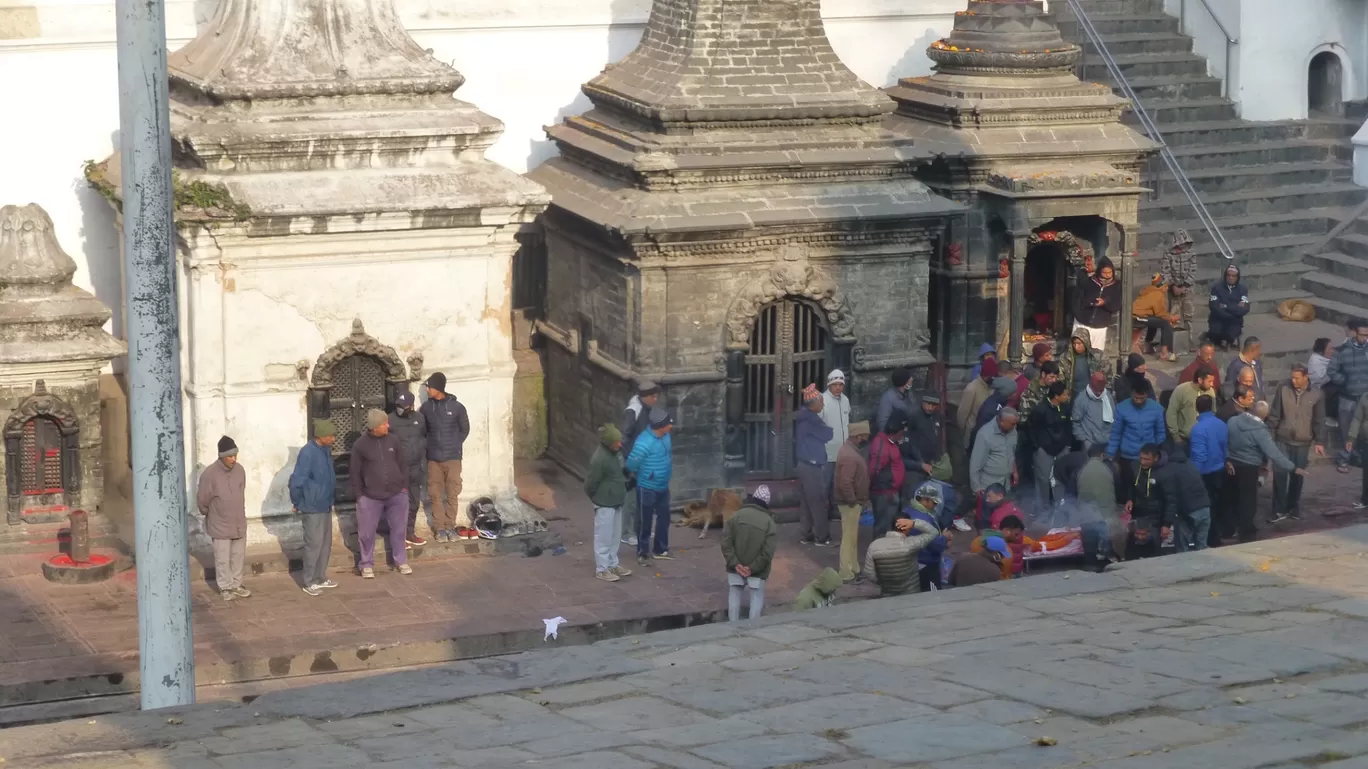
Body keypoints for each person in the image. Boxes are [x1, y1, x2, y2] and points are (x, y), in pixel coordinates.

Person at [1226, 401, 1308, 542]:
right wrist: (1293, 468)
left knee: (1232, 497)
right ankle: (1246, 533)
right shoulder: (1260, 432)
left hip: (1231, 464)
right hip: (1249, 467)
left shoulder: (1232, 421)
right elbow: (1274, 454)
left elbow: (1225, 441)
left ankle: (1230, 528)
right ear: (1265, 415)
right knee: (1248, 501)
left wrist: (1227, 459)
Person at [351, 409, 412, 578]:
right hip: (370, 497)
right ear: (375, 427)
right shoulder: (360, 445)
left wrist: (404, 487)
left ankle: (400, 561)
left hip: (396, 494)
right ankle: (366, 564)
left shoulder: (393, 440)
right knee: (366, 533)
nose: (388, 425)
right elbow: (354, 472)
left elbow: (402, 464)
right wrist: (359, 495)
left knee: (399, 530)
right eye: (384, 423)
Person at [1266, 364, 1326, 523]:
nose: (1293, 380)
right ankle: (1278, 509)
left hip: (1302, 442)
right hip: (1282, 440)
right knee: (1279, 475)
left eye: (1297, 378)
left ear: (1306, 377)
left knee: (1297, 476)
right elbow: (1274, 413)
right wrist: (1269, 435)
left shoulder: (1317, 394)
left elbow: (1319, 420)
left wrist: (1320, 441)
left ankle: (1293, 506)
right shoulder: (1283, 389)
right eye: (1292, 377)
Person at [289, 419, 339, 596]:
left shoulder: (325, 451)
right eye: (331, 435)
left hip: (325, 504)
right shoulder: (308, 453)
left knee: (325, 544)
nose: (333, 438)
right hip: (312, 506)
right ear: (322, 436)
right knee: (314, 544)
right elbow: (297, 481)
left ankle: (321, 577)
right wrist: (297, 502)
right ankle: (309, 580)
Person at [420, 372, 472, 542]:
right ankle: (439, 528)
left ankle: (450, 525)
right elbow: (423, 431)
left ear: (438, 388)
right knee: (434, 494)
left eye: (429, 387)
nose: (427, 390)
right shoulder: (426, 409)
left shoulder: (457, 407)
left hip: (452, 459)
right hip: (433, 459)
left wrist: (454, 445)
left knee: (452, 493)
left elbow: (465, 429)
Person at [197, 435, 250, 601]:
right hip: (219, 523)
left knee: (238, 556)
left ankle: (237, 584)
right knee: (222, 559)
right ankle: (225, 587)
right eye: (229, 456)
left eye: (235, 455)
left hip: (238, 522)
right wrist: (213, 513)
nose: (233, 459)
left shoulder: (240, 470)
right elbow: (202, 500)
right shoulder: (209, 474)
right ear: (221, 456)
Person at [721, 485, 778, 621]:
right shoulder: (769, 522)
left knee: (734, 595)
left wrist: (736, 564)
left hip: (735, 567)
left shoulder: (737, 515)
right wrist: (752, 568)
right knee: (756, 597)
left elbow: (726, 542)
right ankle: (753, 630)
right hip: (757, 572)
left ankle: (732, 627)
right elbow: (767, 553)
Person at [626, 408, 674, 564]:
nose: (671, 426)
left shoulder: (666, 437)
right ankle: (643, 552)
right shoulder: (643, 442)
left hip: (663, 485)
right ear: (660, 426)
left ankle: (660, 548)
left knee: (664, 518)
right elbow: (632, 464)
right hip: (647, 487)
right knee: (644, 521)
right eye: (668, 423)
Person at [585, 423, 632, 583]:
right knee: (603, 537)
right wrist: (597, 499)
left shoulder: (615, 453)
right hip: (605, 502)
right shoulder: (600, 459)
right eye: (616, 442)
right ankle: (602, 569)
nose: (620, 444)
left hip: (616, 500)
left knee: (614, 535)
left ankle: (613, 563)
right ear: (609, 443)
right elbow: (590, 484)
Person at [1107, 380, 1166, 498]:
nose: (1138, 400)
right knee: (1127, 489)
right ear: (1131, 393)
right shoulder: (1121, 408)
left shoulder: (1156, 408)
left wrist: (1158, 455)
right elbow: (1115, 434)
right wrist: (1109, 456)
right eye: (1135, 397)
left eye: (1141, 397)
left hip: (1148, 458)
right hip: (1128, 457)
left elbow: (1160, 433)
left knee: (1146, 491)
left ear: (1146, 394)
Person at [619, 380, 661, 546]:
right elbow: (625, 436)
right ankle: (626, 532)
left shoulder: (647, 408)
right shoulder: (634, 410)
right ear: (644, 397)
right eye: (653, 396)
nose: (655, 399)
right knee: (631, 497)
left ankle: (638, 529)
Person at [863, 511, 939, 596]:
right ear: (907, 528)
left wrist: (883, 582)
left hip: (887, 594)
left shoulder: (874, 546)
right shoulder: (911, 543)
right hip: (911, 593)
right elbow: (933, 532)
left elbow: (868, 573)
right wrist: (913, 523)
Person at [795, 384, 834, 546]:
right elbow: (828, 434)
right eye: (821, 402)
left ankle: (806, 534)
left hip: (803, 463)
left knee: (806, 501)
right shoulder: (812, 419)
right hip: (812, 465)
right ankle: (821, 536)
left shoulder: (802, 416)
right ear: (813, 404)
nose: (823, 405)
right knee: (818, 501)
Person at [388, 391, 428, 546]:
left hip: (416, 467)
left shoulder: (419, 419)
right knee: (397, 504)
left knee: (414, 502)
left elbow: (424, 437)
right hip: (398, 468)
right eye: (398, 406)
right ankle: (397, 536)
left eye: (403, 406)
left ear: (411, 406)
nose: (400, 409)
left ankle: (409, 533)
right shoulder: (390, 420)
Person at [1188, 395, 1229, 547]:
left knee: (1207, 507)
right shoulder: (1221, 424)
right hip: (1220, 469)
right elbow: (1225, 447)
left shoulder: (1197, 429)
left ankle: (1209, 539)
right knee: (1219, 505)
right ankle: (1220, 534)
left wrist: (1193, 477)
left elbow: (1199, 456)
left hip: (1205, 474)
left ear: (1197, 408)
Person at [834, 420, 872, 582]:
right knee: (848, 538)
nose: (865, 439)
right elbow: (845, 482)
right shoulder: (850, 456)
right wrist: (852, 501)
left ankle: (854, 567)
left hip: (852, 502)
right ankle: (845, 571)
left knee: (852, 537)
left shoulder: (849, 450)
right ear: (858, 436)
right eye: (864, 436)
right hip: (850, 503)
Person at [1330, 319, 1368, 474]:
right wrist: (1343, 381)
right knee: (1347, 431)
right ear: (1353, 333)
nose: (1365, 338)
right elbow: (1331, 371)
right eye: (1362, 335)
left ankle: (1358, 457)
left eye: (1367, 335)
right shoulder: (1341, 351)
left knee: (1362, 431)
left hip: (1365, 397)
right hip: (1347, 397)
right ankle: (1345, 458)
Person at [970, 408, 1019, 525]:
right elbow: (975, 463)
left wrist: (1014, 471)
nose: (1015, 426)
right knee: (985, 521)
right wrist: (976, 487)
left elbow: (1011, 453)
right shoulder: (985, 434)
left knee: (1004, 519)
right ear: (1002, 421)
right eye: (1012, 423)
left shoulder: (1013, 431)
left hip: (1005, 483)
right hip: (988, 485)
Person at [1029, 381, 1072, 508]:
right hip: (1044, 449)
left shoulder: (1066, 408)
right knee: (1043, 480)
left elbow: (1069, 427)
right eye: (1065, 395)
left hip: (1062, 449)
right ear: (1056, 396)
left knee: (1060, 479)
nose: (1067, 397)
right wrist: (1036, 446)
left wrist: (1067, 444)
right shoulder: (1040, 409)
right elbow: (1031, 428)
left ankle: (1060, 506)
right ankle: (1043, 508)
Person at [1160, 444, 1210, 552]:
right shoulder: (1190, 464)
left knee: (1183, 550)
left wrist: (1167, 522)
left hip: (1189, 513)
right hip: (1205, 508)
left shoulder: (1169, 469)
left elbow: (1172, 498)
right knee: (1202, 547)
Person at [1078, 444, 1123, 562]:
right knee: (1106, 537)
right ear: (1102, 455)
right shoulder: (1109, 468)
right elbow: (1118, 487)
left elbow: (1074, 490)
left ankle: (1090, 562)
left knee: (1089, 537)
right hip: (1105, 513)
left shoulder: (1082, 469)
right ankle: (1106, 558)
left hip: (1086, 514)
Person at [1124, 443, 1169, 562]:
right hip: (1138, 513)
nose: (1142, 462)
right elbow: (1130, 486)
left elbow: (1171, 500)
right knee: (1132, 543)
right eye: (1141, 458)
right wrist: (1129, 499)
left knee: (1153, 549)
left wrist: (1166, 524)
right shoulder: (1134, 466)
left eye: (1146, 459)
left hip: (1155, 517)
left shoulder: (1165, 472)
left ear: (1155, 458)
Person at [906, 482, 952, 591]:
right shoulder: (922, 518)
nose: (935, 506)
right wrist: (945, 538)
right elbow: (933, 543)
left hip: (914, 561)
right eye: (934, 502)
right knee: (932, 596)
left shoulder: (909, 510)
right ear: (924, 500)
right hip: (925, 562)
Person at [868, 415, 908, 539]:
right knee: (883, 527)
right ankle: (879, 552)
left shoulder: (889, 442)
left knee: (888, 525)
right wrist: (886, 486)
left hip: (890, 491)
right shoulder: (882, 447)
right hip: (885, 494)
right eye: (902, 432)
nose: (903, 435)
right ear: (895, 432)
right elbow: (873, 471)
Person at [902, 392, 944, 505]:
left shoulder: (937, 416)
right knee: (912, 495)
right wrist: (920, 462)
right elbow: (908, 442)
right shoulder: (913, 416)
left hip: (930, 463)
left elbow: (938, 436)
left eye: (933, 405)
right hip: (915, 465)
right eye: (928, 404)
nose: (930, 408)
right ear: (923, 402)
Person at [1160, 228, 1198, 350]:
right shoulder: (1168, 254)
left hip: (1188, 288)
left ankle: (1189, 341)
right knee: (1174, 315)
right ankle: (1173, 341)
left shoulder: (1192, 254)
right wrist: (1173, 286)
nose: (1183, 245)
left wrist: (1185, 286)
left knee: (1188, 315)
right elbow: (1165, 271)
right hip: (1173, 288)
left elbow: (1193, 271)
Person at [1074, 256, 1122, 352]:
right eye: (1104, 272)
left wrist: (1105, 302)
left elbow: (1116, 305)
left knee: (1096, 354)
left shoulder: (1117, 285)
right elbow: (1079, 290)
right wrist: (1086, 271)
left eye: (1110, 272)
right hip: (1082, 322)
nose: (1107, 275)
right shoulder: (1090, 281)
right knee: (1077, 351)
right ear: (1099, 272)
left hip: (1100, 326)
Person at [820, 369, 851, 515]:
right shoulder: (822, 400)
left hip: (843, 452)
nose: (838, 387)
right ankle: (822, 513)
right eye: (835, 384)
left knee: (838, 484)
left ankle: (835, 510)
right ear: (829, 385)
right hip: (827, 451)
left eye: (840, 384)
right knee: (825, 484)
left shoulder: (845, 400)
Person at [1132, 272, 1179, 362]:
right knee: (1165, 323)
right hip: (1137, 317)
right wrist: (1172, 318)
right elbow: (1160, 313)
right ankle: (1165, 352)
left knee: (1155, 320)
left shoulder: (1149, 289)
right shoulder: (1158, 294)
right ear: (1163, 286)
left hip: (1136, 316)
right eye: (1166, 286)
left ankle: (1147, 345)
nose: (1167, 288)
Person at [1167, 366, 1218, 446]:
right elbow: (1171, 413)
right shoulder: (1181, 390)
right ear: (1200, 380)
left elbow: (1213, 412)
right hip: (1185, 439)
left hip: (1204, 439)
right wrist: (1176, 437)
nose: (1212, 384)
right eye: (1210, 381)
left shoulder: (1210, 392)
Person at [958, 358, 998, 450]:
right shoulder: (972, 388)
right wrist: (964, 432)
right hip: (974, 432)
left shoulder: (994, 387)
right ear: (985, 375)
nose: (993, 378)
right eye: (991, 376)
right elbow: (962, 413)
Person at [1207, 264, 1249, 350]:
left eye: (1233, 276)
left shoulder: (1243, 290)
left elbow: (1245, 308)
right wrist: (1234, 307)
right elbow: (1214, 306)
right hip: (1218, 319)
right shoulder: (1216, 288)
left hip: (1235, 321)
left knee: (1230, 334)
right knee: (1215, 332)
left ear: (1237, 277)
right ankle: (1211, 338)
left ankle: (1226, 341)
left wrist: (1225, 306)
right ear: (1225, 276)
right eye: (1228, 275)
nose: (1231, 278)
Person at [1073, 370, 1115, 453]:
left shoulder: (1108, 396)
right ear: (1091, 386)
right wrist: (1085, 441)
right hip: (1091, 444)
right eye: (1097, 391)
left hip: (1108, 443)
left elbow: (1114, 416)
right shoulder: (1081, 399)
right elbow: (1075, 422)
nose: (1099, 393)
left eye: (1101, 390)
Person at [875, 368, 915, 437]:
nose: (912, 379)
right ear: (905, 382)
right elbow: (882, 423)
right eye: (909, 378)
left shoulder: (909, 394)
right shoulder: (888, 398)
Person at [1059, 330, 1097, 399]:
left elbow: (1107, 379)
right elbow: (1060, 379)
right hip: (1073, 397)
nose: (1076, 347)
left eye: (1079, 343)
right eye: (1074, 343)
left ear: (1086, 343)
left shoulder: (1097, 356)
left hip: (1092, 396)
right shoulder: (1065, 358)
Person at [1346, 391, 1368, 509]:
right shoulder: (1365, 397)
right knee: (1367, 473)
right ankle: (1365, 500)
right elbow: (1357, 419)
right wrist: (1351, 437)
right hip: (1366, 441)